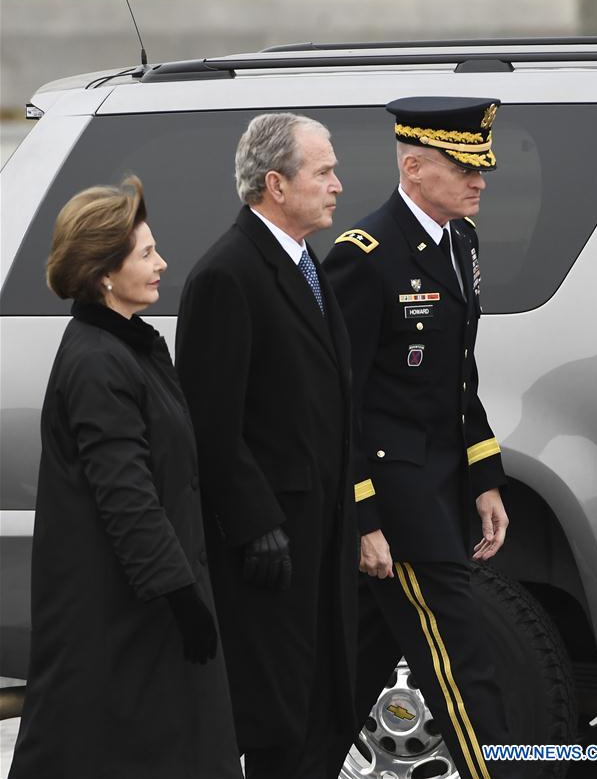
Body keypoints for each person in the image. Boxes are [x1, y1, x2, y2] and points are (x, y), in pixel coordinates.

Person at [9, 178, 243, 779]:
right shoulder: (98, 361)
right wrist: (181, 596)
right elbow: (127, 497)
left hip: (142, 605)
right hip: (121, 613)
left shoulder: (128, 347)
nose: (162, 263)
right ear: (104, 274)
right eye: (146, 253)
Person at [323, 97, 515, 779]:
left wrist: (485, 477)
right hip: (398, 497)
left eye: (481, 167)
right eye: (464, 168)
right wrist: (364, 517)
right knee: (462, 661)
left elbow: (459, 374)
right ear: (413, 168)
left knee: (352, 672)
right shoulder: (365, 256)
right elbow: (337, 403)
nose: (480, 180)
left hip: (442, 483)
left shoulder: (462, 241)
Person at [175, 112, 358, 779]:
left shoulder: (307, 264)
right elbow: (210, 422)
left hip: (324, 533)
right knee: (281, 723)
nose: (338, 184)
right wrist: (256, 524)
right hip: (272, 550)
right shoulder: (227, 274)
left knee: (325, 710)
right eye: (324, 171)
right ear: (276, 184)